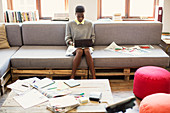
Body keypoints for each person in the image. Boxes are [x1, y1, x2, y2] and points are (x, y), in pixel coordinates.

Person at [65, 5, 96, 79]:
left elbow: (93, 37)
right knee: (79, 51)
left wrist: (90, 43)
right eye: (78, 16)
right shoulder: (70, 24)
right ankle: (72, 76)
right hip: (74, 46)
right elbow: (67, 38)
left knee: (86, 51)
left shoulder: (89, 24)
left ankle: (94, 76)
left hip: (86, 46)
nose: (80, 18)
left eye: (82, 16)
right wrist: (72, 43)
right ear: (75, 14)